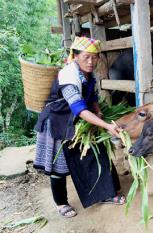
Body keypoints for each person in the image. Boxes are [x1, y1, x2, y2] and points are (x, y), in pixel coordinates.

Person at [34, 36, 125, 218]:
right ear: (75, 56)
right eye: (86, 57)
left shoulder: (89, 73)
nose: (91, 62)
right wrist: (106, 125)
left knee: (96, 153)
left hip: (79, 119)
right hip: (58, 120)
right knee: (59, 166)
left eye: (95, 57)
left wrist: (98, 112)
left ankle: (105, 193)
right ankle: (61, 203)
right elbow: (79, 108)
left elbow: (92, 97)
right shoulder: (68, 74)